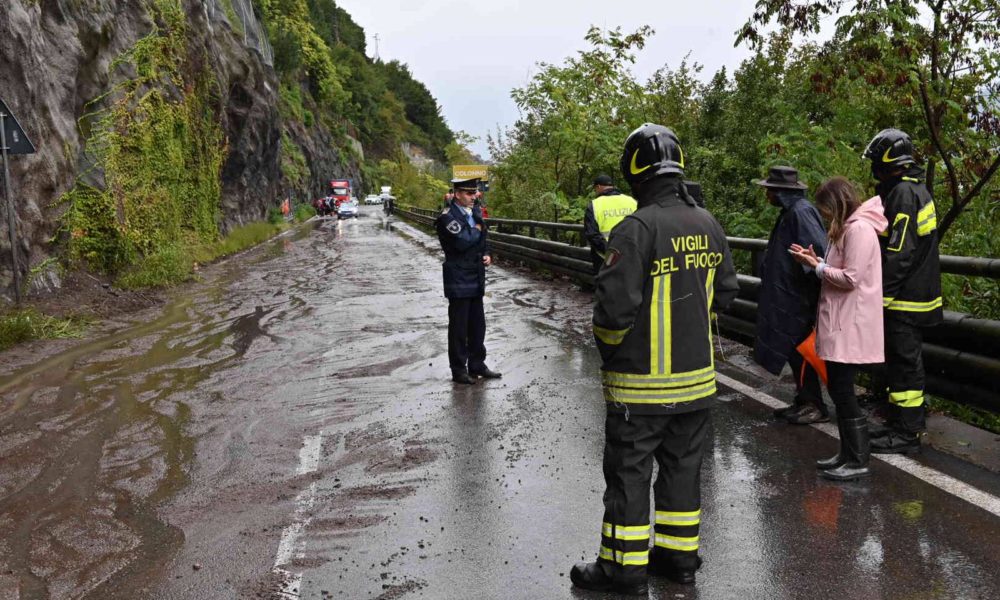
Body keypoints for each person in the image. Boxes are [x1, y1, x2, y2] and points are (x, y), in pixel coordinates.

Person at [570, 124, 739, 595]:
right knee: (683, 473)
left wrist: (611, 354)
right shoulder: (708, 223)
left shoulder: (636, 229)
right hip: (696, 384)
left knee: (629, 476)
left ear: (634, 171)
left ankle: (622, 570)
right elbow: (726, 293)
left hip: (639, 389)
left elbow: (612, 314)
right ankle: (679, 559)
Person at [789, 177, 888, 480]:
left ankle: (857, 459)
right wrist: (817, 260)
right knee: (837, 388)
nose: (825, 215)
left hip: (850, 323)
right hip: (841, 320)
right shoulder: (848, 228)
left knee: (843, 391)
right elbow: (842, 269)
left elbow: (851, 278)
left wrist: (818, 267)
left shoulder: (859, 230)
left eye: (826, 209)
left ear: (836, 203)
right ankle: (847, 453)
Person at [862, 128, 942, 453]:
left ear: (887, 162)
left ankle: (907, 433)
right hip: (911, 296)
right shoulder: (913, 190)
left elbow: (899, 253)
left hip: (906, 300)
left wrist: (879, 297)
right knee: (899, 363)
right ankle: (898, 424)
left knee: (906, 365)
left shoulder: (904, 195)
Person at [753, 166, 829, 424]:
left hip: (799, 299)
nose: (767, 195)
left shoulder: (801, 212)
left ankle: (814, 405)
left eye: (769, 190)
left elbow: (816, 253)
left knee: (802, 351)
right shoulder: (791, 211)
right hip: (789, 297)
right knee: (794, 352)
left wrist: (807, 292)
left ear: (780, 191)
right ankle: (803, 400)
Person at [434, 177, 502, 385]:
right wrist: (478, 228)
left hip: (476, 275)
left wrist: (487, 253)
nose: (474, 197)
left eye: (475, 193)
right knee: (459, 327)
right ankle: (458, 369)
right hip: (458, 277)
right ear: (457, 194)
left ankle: (477, 364)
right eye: (469, 193)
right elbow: (464, 241)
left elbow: (483, 239)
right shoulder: (447, 217)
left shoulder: (475, 213)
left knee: (477, 326)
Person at [582, 174, 637, 275]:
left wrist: (611, 254)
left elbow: (591, 234)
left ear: (598, 187)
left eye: (595, 189)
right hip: (631, 254)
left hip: (605, 257)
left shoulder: (594, 205)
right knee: (629, 282)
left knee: (606, 283)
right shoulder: (631, 201)